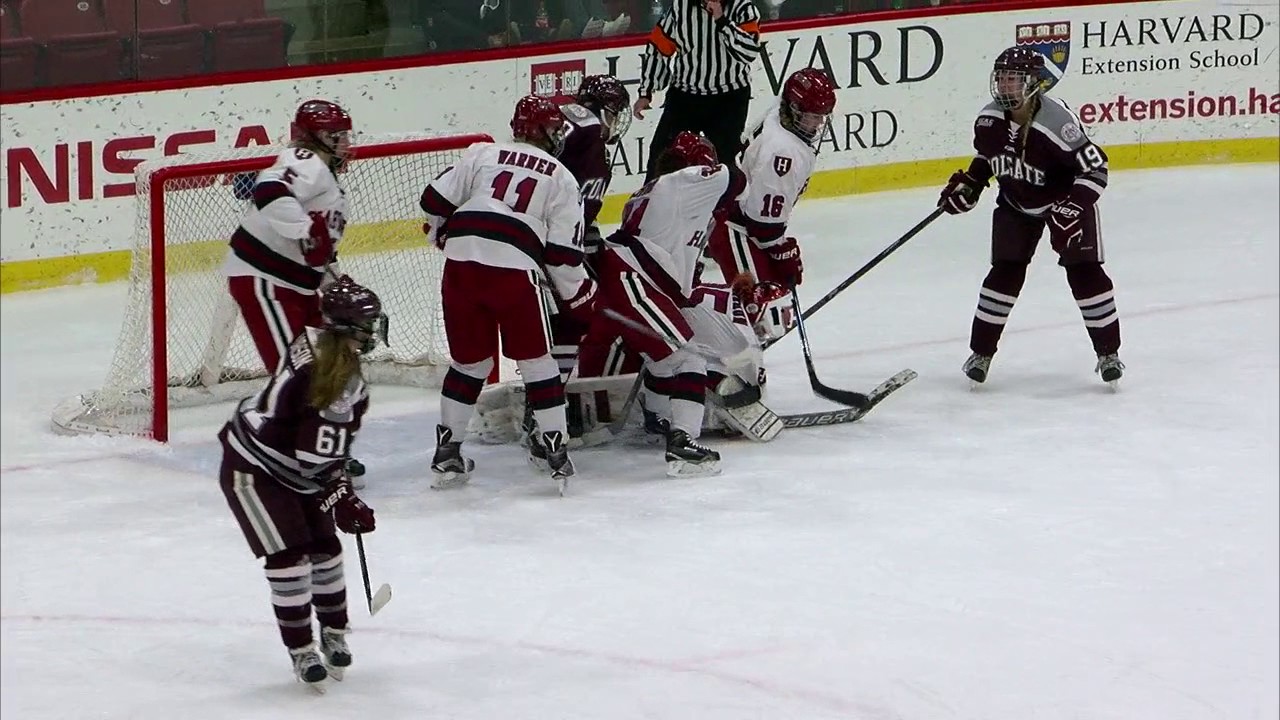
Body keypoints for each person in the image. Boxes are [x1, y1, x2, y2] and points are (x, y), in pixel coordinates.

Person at [419, 95, 596, 494]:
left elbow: (433, 201)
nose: (557, 137)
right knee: (537, 363)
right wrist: (580, 298)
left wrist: (440, 232)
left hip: (461, 264)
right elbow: (564, 256)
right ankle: (556, 453)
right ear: (540, 132)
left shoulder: (481, 153)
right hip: (515, 268)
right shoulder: (562, 177)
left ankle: (447, 454)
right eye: (553, 129)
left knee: (470, 364)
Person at [217, 276, 384, 688]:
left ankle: (334, 632)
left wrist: (338, 488)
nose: (373, 331)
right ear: (348, 332)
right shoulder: (338, 382)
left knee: (326, 549)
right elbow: (316, 459)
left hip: (292, 465)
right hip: (255, 469)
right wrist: (342, 496)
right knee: (289, 559)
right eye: (367, 324)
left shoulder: (316, 342)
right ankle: (302, 649)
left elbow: (322, 457)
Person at [938, 46, 1123, 386]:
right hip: (1016, 202)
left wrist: (1072, 207)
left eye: (1014, 79)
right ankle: (981, 353)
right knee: (1004, 274)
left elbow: (1096, 170)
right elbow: (987, 160)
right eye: (1002, 79)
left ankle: (1108, 353)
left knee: (1085, 273)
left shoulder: (1057, 125)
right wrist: (971, 185)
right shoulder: (988, 120)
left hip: (1063, 202)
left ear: (1034, 83)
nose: (1005, 86)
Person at [577, 131, 748, 476]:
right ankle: (683, 442)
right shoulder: (684, 181)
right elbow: (737, 179)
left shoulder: (651, 192)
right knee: (689, 357)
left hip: (625, 280)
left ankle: (658, 418)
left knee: (664, 359)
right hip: (634, 280)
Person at [705, 67, 835, 352]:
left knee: (774, 300)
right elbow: (761, 226)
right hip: (734, 229)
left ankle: (738, 364)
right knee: (759, 308)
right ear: (794, 108)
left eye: (821, 117)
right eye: (812, 116)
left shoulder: (779, 114)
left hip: (739, 219)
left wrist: (779, 248)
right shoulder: (783, 152)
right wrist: (782, 250)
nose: (817, 124)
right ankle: (724, 369)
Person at [222, 99, 352, 375]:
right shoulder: (306, 161)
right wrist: (305, 230)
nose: (345, 143)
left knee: (323, 375)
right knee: (294, 379)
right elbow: (269, 190)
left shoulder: (327, 181)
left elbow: (319, 249)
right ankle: (253, 420)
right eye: (337, 136)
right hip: (266, 279)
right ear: (315, 137)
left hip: (297, 287)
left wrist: (335, 285)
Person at [548, 74, 632, 380]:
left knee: (575, 317)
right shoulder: (585, 125)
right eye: (616, 110)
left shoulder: (587, 135)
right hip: (550, 243)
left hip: (561, 239)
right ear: (604, 108)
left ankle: (555, 384)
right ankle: (552, 388)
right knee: (576, 316)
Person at [633, 0, 762, 182]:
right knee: (661, 157)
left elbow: (749, 51)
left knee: (725, 163)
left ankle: (723, 208)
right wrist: (646, 91)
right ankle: (649, 205)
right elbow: (658, 46)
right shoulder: (681, 7)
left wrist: (722, 21)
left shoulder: (742, 7)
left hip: (728, 100)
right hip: (685, 98)